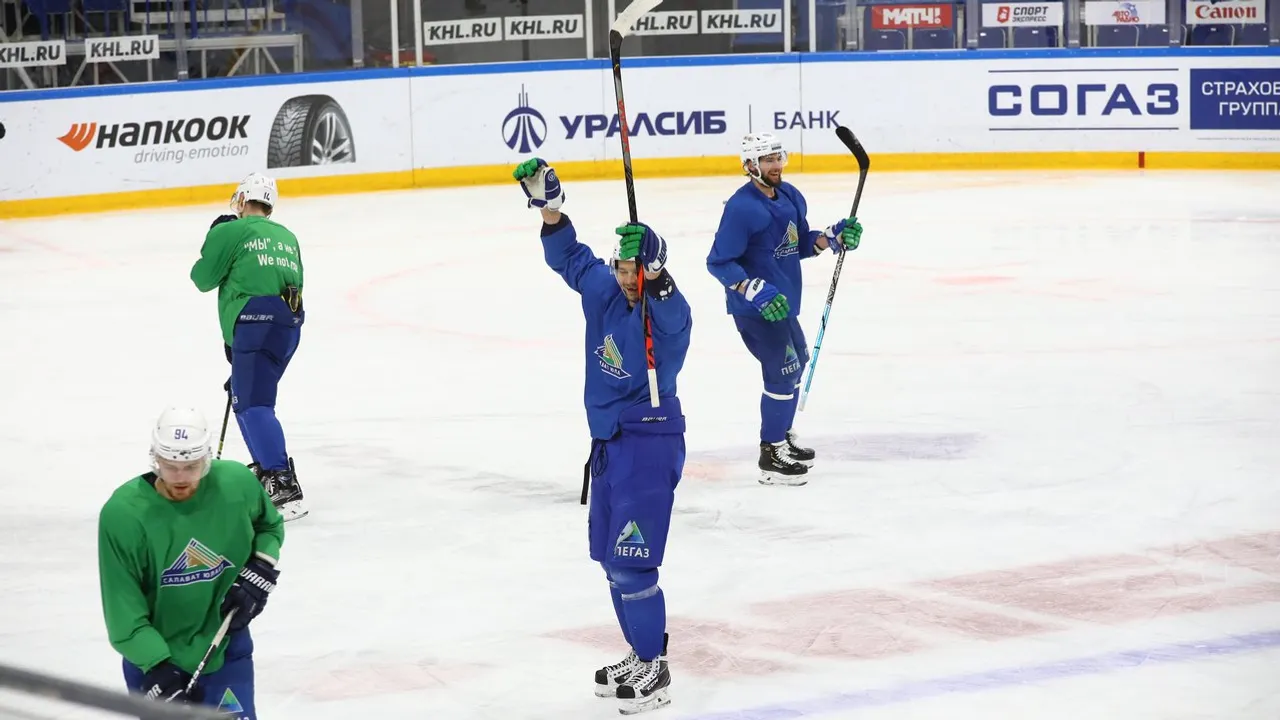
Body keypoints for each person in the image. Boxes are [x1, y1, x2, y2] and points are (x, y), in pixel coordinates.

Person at [514, 157, 692, 715]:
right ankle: (639, 654)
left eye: (634, 271)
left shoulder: (664, 314)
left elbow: (673, 310)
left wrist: (656, 272)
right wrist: (551, 209)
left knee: (634, 562)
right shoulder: (605, 293)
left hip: (649, 442)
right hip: (609, 445)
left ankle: (655, 668)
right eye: (621, 268)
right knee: (611, 560)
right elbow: (571, 258)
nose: (625, 278)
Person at [97, 406, 285, 720]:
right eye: (170, 466)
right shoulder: (124, 516)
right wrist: (157, 667)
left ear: (207, 458)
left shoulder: (237, 484)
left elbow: (269, 526)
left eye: (191, 466)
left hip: (226, 646)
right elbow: (124, 616)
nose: (181, 477)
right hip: (155, 663)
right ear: (155, 458)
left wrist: (260, 567)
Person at [706, 132, 864, 486]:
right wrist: (751, 288)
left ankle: (782, 434)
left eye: (779, 158)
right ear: (750, 165)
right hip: (755, 310)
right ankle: (771, 454)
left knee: (798, 362)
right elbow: (718, 262)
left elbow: (798, 244)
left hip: (784, 305)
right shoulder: (741, 208)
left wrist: (830, 238)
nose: (776, 165)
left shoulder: (790, 195)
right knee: (781, 371)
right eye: (768, 160)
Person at [191, 172, 307, 521]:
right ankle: (267, 471)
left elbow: (202, 278)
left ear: (242, 200)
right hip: (288, 324)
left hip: (254, 322)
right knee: (245, 397)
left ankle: (283, 483)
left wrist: (215, 236)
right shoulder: (287, 236)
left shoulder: (232, 230)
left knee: (254, 404)